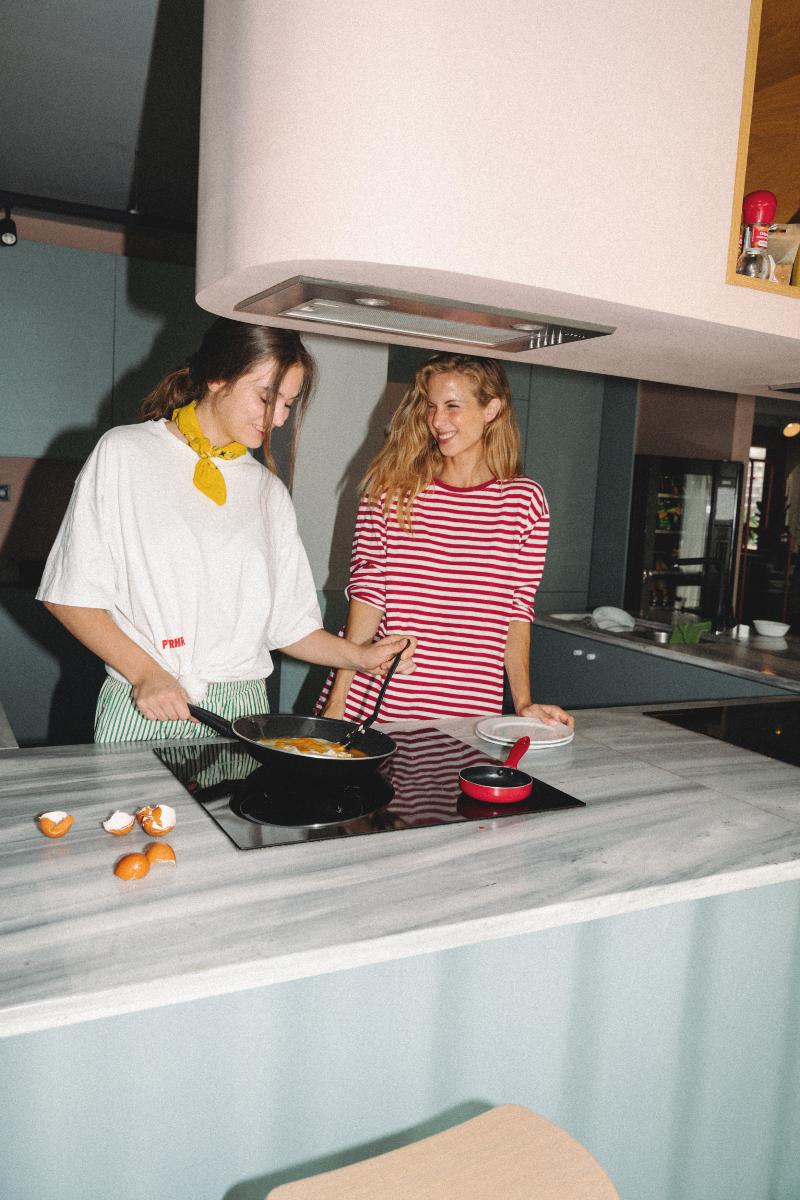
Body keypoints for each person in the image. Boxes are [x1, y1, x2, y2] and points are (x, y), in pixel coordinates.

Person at [38, 317, 413, 742]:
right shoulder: (125, 453)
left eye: (288, 404)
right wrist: (145, 672)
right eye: (266, 397)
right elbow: (68, 596)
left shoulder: (268, 491)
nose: (278, 419)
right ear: (218, 377)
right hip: (147, 700)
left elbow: (291, 628)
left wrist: (360, 657)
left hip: (243, 711)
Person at [318, 352, 573, 729]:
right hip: (379, 702)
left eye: (452, 406)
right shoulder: (391, 491)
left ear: (491, 409)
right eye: (431, 406)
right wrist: (337, 701)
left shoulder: (524, 502)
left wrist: (523, 703)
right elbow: (367, 596)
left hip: (469, 709)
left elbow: (517, 612)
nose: (437, 420)